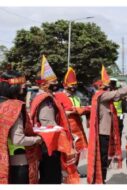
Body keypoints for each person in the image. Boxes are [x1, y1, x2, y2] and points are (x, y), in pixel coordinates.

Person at [87, 74, 127, 184]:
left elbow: (121, 94)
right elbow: (120, 92)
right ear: (99, 85)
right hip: (102, 133)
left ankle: (100, 180)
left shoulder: (102, 95)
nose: (109, 85)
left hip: (104, 131)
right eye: (106, 83)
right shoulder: (102, 95)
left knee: (103, 159)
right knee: (102, 159)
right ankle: (99, 181)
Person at [30, 55, 79, 184]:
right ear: (44, 84)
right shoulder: (45, 99)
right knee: (51, 177)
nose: (56, 84)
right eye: (53, 82)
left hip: (49, 144)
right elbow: (48, 125)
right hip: (50, 145)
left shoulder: (45, 96)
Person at [0, 70, 42, 184]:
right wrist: (38, 139)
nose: (24, 85)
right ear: (13, 86)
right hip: (17, 161)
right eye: (21, 83)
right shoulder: (14, 106)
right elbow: (18, 140)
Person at [54, 67, 89, 177]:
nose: (74, 87)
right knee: (66, 150)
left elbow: (79, 109)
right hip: (66, 127)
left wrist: (83, 110)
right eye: (71, 85)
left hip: (78, 127)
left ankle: (74, 170)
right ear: (65, 85)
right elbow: (58, 112)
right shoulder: (59, 96)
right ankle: (65, 171)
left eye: (75, 85)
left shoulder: (77, 97)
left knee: (78, 150)